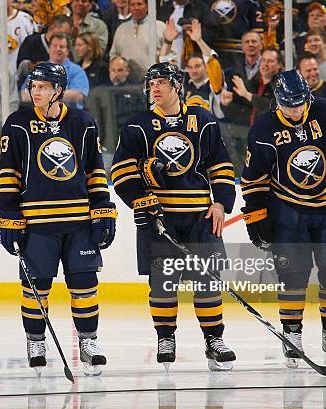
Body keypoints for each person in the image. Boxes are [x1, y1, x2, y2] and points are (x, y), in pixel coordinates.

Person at [112, 62, 237, 372]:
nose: (155, 87)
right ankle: (165, 338)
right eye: (151, 82)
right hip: (159, 220)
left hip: (199, 218)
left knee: (208, 283)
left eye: (162, 82)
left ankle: (214, 340)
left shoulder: (203, 121)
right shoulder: (137, 126)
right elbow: (121, 172)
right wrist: (141, 200)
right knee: (163, 285)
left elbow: (220, 166)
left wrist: (221, 203)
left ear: (177, 86)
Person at [0, 62, 117, 376]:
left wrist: (102, 208)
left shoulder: (82, 122)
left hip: (78, 222)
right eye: (33, 87)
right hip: (37, 223)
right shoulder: (17, 123)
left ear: (58, 91)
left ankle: (88, 341)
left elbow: (94, 170)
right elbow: (9, 173)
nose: (35, 92)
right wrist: (8, 215)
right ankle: (36, 341)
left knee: (85, 284)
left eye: (42, 87)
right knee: (35, 287)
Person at [241, 69, 326, 369]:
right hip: (288, 209)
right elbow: (254, 179)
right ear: (277, 101)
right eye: (289, 105)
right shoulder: (264, 129)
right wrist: (256, 216)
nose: (296, 110)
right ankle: (292, 335)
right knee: (293, 275)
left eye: (300, 103)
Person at [20, 33, 90, 109]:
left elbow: (78, 96)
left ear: (68, 51)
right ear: (49, 48)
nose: (58, 49)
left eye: (62, 46)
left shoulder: (76, 70)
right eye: (55, 46)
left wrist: (43, 94)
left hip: (69, 117)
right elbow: (25, 95)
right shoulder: (38, 70)